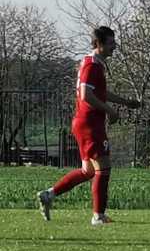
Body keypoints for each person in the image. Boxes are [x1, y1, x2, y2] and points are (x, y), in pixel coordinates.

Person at [37, 25, 141, 224]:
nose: (115, 46)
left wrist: (125, 102)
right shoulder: (92, 65)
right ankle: (98, 216)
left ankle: (49, 195)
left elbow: (99, 92)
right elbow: (86, 95)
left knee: (88, 171)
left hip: (85, 123)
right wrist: (110, 111)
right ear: (99, 43)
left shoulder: (93, 63)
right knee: (104, 167)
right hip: (90, 124)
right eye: (111, 43)